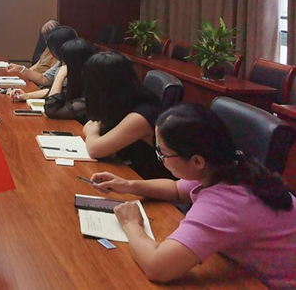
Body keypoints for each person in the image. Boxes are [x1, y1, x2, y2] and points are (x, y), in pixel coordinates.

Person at [90, 104, 296, 288]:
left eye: (162, 153)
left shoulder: (225, 203)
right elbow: (176, 189)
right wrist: (128, 185)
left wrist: (130, 224)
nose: (160, 157)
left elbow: (157, 267)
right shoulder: (227, 165)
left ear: (196, 161)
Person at [81, 51, 171, 179]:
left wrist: (92, 132)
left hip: (148, 181)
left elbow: (95, 150)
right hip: (129, 171)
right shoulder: (122, 103)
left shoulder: (142, 116)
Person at [10, 38, 95, 123]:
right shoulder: (82, 78)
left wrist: (59, 76)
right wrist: (26, 96)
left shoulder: (90, 93)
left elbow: (51, 109)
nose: (62, 65)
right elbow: (60, 91)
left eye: (65, 63)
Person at [7, 25, 77, 87]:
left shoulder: (75, 65)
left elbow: (57, 94)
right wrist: (21, 69)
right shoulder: (60, 62)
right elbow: (44, 79)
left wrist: (60, 76)